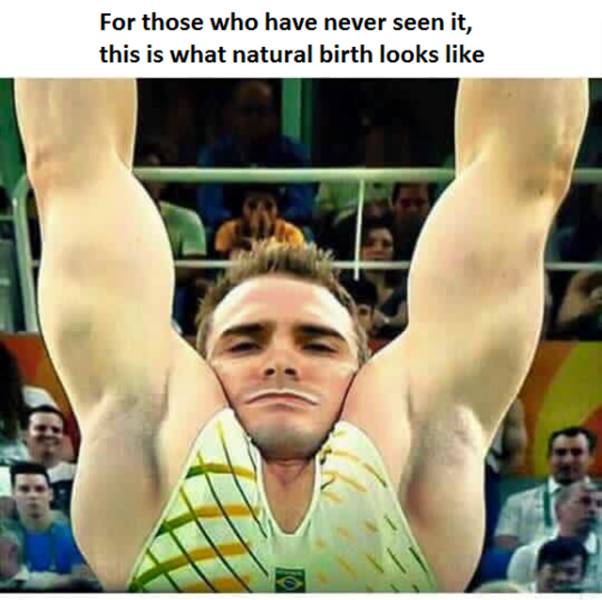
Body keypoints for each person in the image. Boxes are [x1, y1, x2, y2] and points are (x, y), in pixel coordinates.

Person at [14, 79, 588, 592]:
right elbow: (68, 163)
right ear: (198, 368)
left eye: (317, 343)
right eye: (245, 343)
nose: (281, 362)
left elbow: (526, 170)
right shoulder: (140, 427)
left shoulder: (424, 441)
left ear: (362, 372)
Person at [196, 80, 315, 232]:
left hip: (281, 229)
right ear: (232, 115)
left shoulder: (293, 153)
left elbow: (303, 206)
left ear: (275, 117)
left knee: (305, 233)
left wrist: (271, 222)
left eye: (262, 112)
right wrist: (243, 224)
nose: (254, 119)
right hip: (231, 229)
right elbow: (210, 207)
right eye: (247, 112)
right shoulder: (214, 155)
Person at [495, 426, 597, 550]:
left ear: (591, 458)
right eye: (560, 453)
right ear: (549, 458)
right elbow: (503, 544)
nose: (567, 460)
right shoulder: (518, 503)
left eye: (577, 453)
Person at [9, 462, 98, 589]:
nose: (33, 495)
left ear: (50, 494)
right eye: (24, 489)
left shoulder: (75, 536)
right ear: (13, 493)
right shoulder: (6, 539)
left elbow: (83, 582)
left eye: (39, 489)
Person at [507, 481, 602, 591]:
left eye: (599, 504)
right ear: (558, 508)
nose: (593, 510)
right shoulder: (527, 555)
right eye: (584, 502)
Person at [214, 185, 305, 258]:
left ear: (277, 209)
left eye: (268, 206)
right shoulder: (228, 231)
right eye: (252, 206)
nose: (261, 213)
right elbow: (223, 263)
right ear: (241, 208)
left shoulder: (290, 233)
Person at [24, 406, 76, 516]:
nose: (49, 434)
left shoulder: (77, 474)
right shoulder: (6, 477)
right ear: (25, 435)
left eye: (56, 430)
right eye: (41, 428)